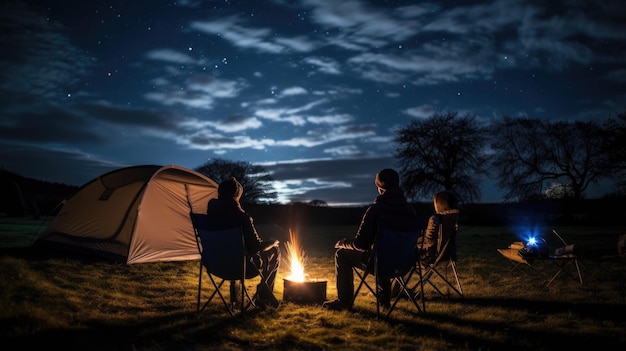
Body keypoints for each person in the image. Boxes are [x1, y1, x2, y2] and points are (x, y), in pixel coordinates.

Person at [322, 168, 418, 311]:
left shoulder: (376, 210)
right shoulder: (410, 211)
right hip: (406, 264)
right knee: (383, 252)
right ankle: (384, 302)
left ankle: (344, 302)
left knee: (342, 254)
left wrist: (344, 243)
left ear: (380, 188)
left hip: (382, 264)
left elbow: (361, 244)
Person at [206, 177, 281, 308]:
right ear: (237, 195)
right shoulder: (241, 217)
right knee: (274, 251)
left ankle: (237, 300)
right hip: (240, 267)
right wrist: (273, 242)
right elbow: (255, 247)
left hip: (214, 264)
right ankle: (263, 296)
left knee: (235, 253)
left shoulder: (210, 216)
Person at [418, 191, 460, 264]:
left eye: (434, 203)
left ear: (439, 204)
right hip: (448, 255)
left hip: (432, 255)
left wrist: (416, 239)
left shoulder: (436, 219)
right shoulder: (454, 217)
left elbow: (429, 240)